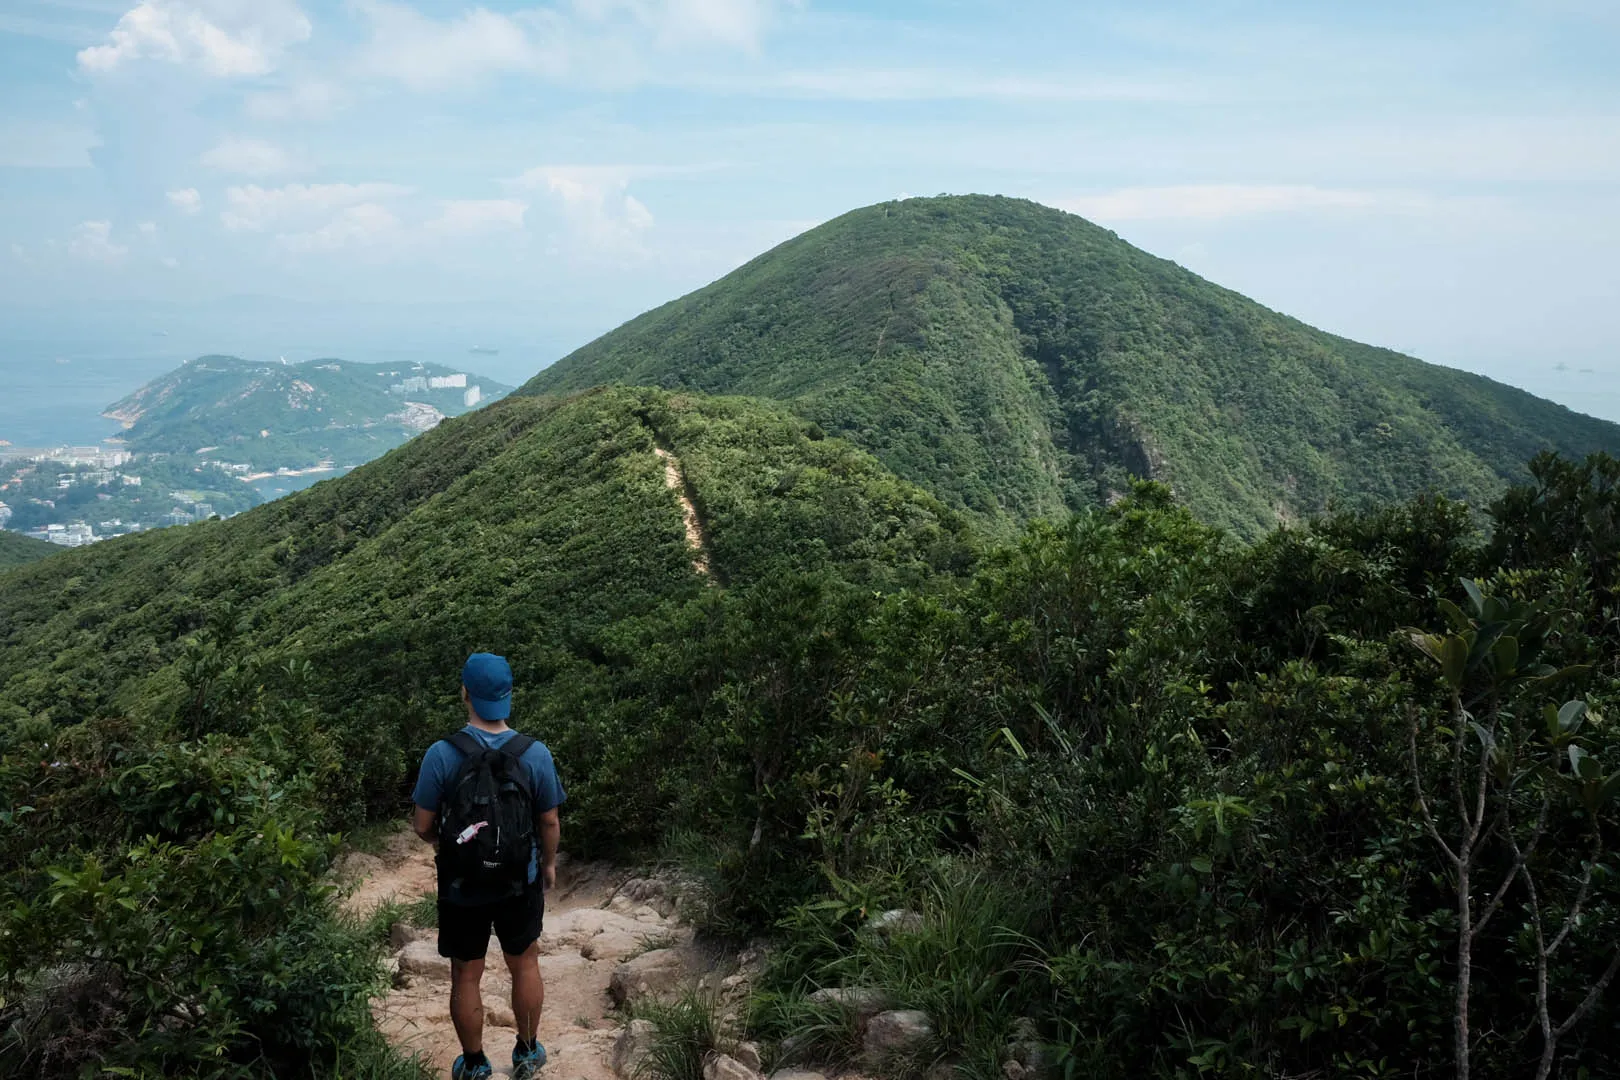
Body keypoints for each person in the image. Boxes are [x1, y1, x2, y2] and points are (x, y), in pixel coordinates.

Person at [412, 652, 565, 1080]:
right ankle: (528, 1052)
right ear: (508, 696)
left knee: (465, 974)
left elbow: (423, 825)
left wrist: (451, 847)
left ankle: (475, 1064)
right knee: (525, 962)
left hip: (463, 884)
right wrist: (547, 864)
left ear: (465, 694)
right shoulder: (534, 754)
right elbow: (549, 820)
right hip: (521, 879)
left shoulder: (441, 755)